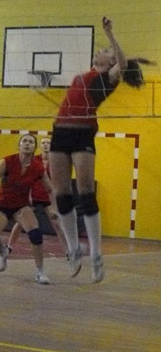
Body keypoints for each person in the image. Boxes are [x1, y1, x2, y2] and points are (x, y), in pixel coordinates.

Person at [49, 17, 152, 283]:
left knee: (85, 193)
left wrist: (110, 35)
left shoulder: (107, 80)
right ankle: (73, 249)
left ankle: (95, 253)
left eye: (105, 51)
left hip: (82, 132)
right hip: (60, 131)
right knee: (61, 194)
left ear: (112, 61)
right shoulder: (82, 77)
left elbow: (123, 64)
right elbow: (124, 61)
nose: (100, 51)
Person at [0, 134, 53, 285]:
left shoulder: (37, 167)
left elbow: (50, 189)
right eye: (24, 141)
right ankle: (2, 250)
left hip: (21, 206)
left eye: (30, 142)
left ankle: (40, 272)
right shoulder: (8, 161)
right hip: (2, 204)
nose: (27, 144)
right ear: (19, 145)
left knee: (36, 235)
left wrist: (54, 207)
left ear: (34, 147)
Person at [7, 137, 68, 256]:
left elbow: (57, 182)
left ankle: (68, 250)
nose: (45, 145)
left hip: (47, 197)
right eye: (43, 143)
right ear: (39, 146)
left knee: (57, 224)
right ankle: (9, 246)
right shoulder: (34, 160)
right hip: (33, 196)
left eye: (48, 143)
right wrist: (28, 195)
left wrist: (55, 203)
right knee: (21, 223)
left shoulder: (55, 161)